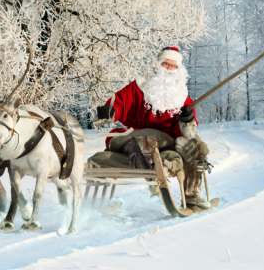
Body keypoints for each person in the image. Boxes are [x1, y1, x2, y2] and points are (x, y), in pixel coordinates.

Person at [89, 46, 211, 210]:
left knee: (196, 145)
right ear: (157, 65)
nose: (168, 69)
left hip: (167, 141)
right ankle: (154, 168)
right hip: (134, 136)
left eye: (172, 66)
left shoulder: (184, 99)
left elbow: (187, 133)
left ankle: (192, 196)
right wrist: (109, 111)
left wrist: (187, 121)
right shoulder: (137, 87)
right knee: (145, 140)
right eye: (165, 64)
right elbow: (119, 103)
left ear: (178, 70)